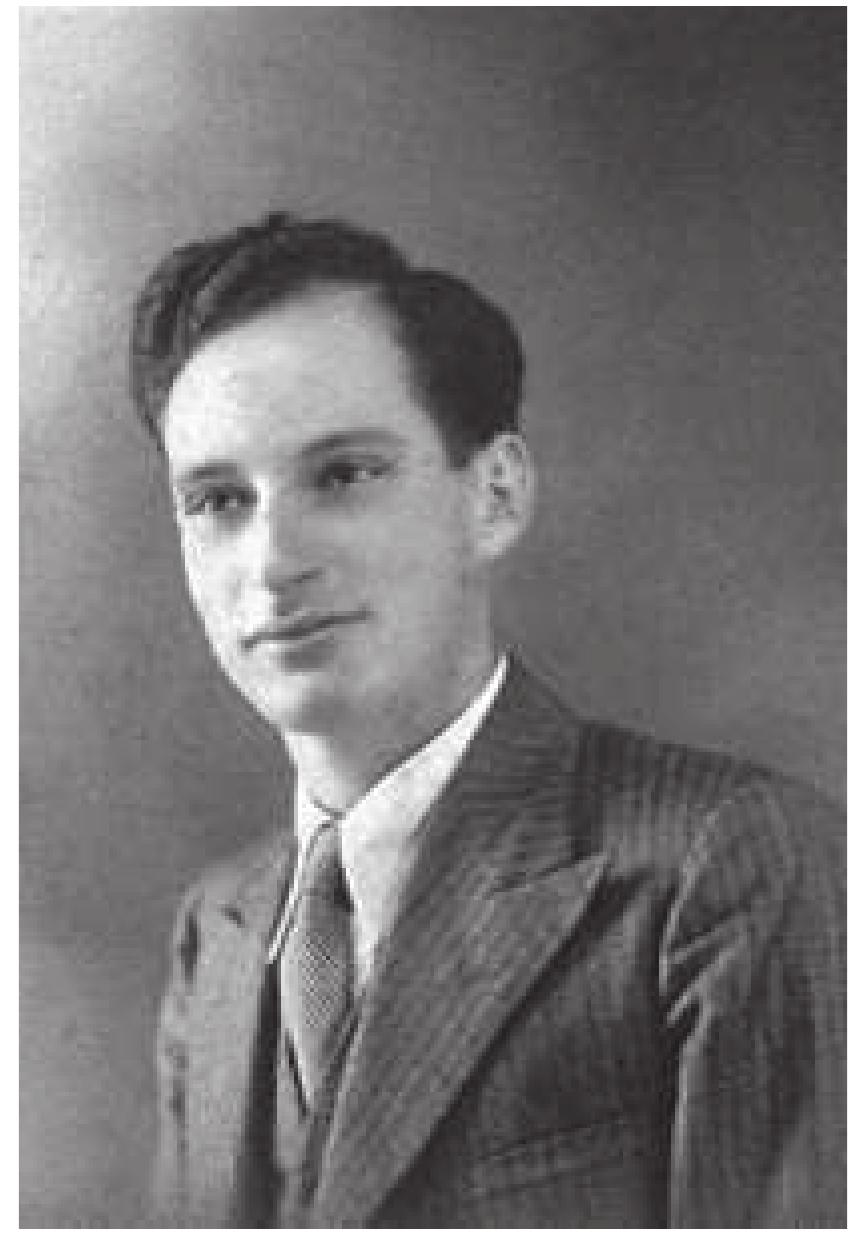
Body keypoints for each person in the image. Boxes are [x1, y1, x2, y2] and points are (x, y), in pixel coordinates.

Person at [131, 212, 845, 1227]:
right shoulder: (218, 926)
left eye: (344, 474)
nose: (272, 560)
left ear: (494, 495)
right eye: (216, 499)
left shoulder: (723, 862)